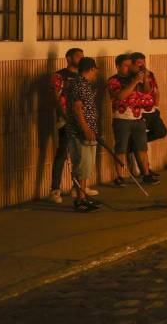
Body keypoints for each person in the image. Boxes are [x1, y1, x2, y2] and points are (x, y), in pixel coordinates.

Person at [106, 53, 150, 187]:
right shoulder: (113, 80)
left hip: (138, 118)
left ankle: (146, 174)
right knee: (121, 148)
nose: (129, 68)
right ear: (118, 66)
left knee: (142, 147)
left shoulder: (134, 77)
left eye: (130, 65)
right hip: (122, 119)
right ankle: (119, 176)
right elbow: (121, 96)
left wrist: (145, 78)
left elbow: (147, 91)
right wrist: (135, 81)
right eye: (126, 66)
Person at [48, 47, 85, 203]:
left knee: (80, 154)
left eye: (83, 56)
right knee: (63, 153)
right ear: (68, 58)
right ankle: (55, 190)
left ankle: (78, 187)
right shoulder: (59, 76)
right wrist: (64, 116)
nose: (81, 59)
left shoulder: (82, 75)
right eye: (78, 56)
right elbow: (55, 98)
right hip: (65, 120)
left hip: (80, 119)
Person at [65, 58, 101, 212]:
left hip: (89, 131)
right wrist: (85, 128)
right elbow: (77, 108)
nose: (96, 73)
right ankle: (80, 199)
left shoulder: (85, 84)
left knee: (86, 166)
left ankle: (83, 196)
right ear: (91, 69)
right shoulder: (79, 84)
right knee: (82, 164)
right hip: (80, 133)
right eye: (95, 70)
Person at [128, 52, 162, 182]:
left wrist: (157, 106)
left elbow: (152, 90)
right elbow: (142, 90)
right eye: (139, 64)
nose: (142, 66)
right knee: (140, 142)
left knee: (161, 131)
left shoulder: (149, 74)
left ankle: (133, 145)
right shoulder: (132, 77)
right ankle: (145, 169)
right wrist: (140, 78)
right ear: (132, 65)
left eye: (143, 63)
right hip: (139, 112)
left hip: (152, 110)